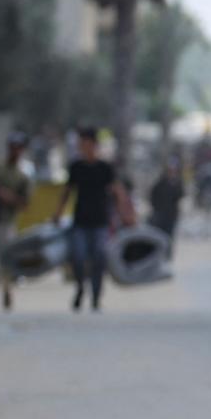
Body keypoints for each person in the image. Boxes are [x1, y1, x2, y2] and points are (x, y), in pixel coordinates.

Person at [53, 127, 129, 312]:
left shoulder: (105, 168)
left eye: (85, 144)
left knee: (99, 257)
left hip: (100, 222)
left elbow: (118, 192)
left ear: (94, 145)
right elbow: (67, 192)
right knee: (77, 257)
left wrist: (125, 214)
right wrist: (58, 213)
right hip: (80, 221)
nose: (83, 148)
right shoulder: (76, 167)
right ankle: (80, 287)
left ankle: (95, 296)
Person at [0, 131, 32, 311]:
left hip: (7, 222)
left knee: (6, 260)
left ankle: (7, 289)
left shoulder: (22, 176)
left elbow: (25, 203)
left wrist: (7, 196)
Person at [148, 159, 185, 259]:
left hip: (171, 215)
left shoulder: (177, 183)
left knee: (169, 237)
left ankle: (167, 257)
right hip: (160, 215)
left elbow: (180, 195)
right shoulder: (160, 183)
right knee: (159, 236)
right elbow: (153, 196)